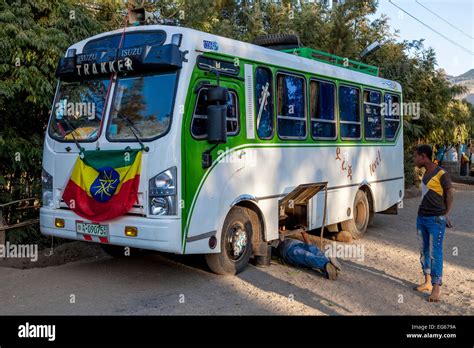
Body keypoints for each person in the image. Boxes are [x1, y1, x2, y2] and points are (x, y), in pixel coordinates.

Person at [414, 144, 454, 302]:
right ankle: (428, 282)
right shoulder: (425, 173)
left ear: (424, 156)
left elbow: (450, 194)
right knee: (423, 250)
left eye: (416, 156)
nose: (414, 159)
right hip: (421, 217)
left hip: (436, 219)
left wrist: (445, 214)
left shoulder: (441, 174)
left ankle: (436, 288)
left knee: (435, 253)